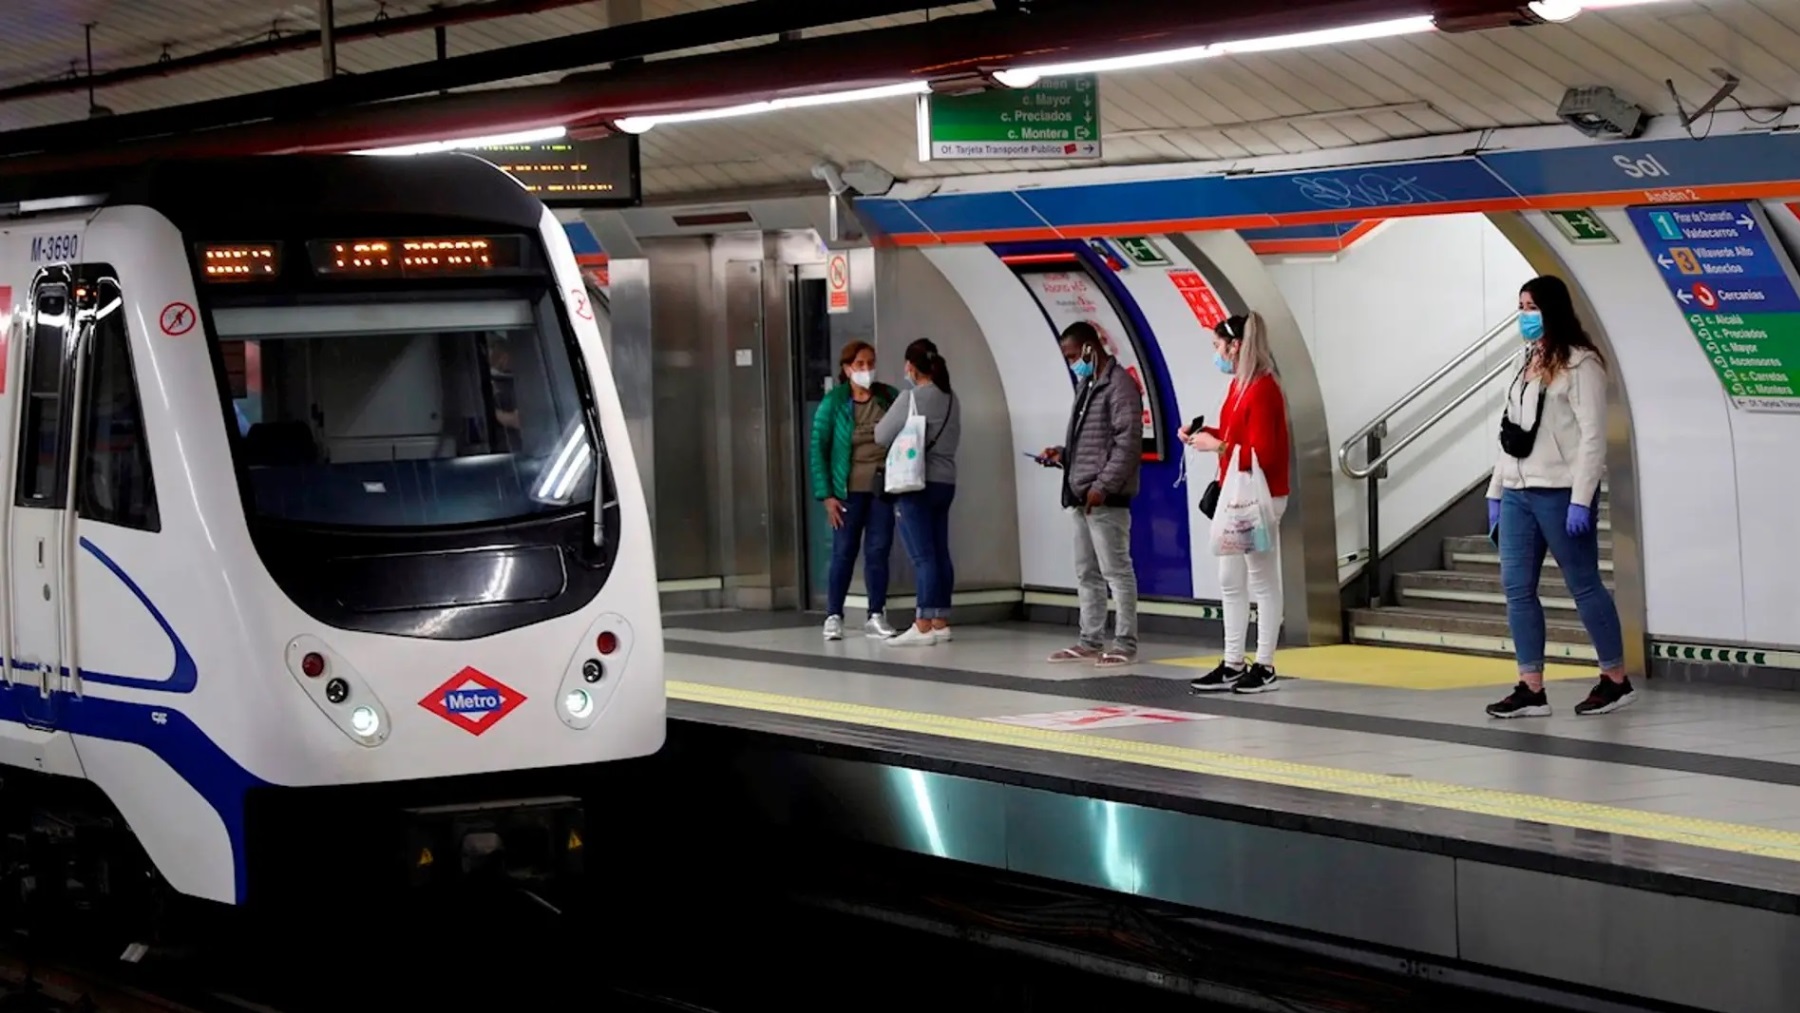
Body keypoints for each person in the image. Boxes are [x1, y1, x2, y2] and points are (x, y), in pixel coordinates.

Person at [1484, 275, 1634, 719]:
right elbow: (1511, 432)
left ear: (1552, 309)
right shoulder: (1525, 359)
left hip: (1561, 491)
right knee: (1517, 589)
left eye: (1532, 306)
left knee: (1584, 585)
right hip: (1518, 491)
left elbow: (1593, 438)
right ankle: (1531, 687)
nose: (1525, 315)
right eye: (1521, 306)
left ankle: (1615, 679)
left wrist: (1581, 499)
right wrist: (1496, 490)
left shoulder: (1580, 363)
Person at [1181, 312, 1290, 695]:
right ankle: (1232, 661)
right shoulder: (1240, 386)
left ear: (1235, 346)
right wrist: (1203, 435)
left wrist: (1222, 446)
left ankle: (1265, 663)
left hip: (1260, 496)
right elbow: (1233, 435)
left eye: (1218, 346)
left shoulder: (1263, 389)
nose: (1216, 354)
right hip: (1237, 493)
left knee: (1261, 578)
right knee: (1230, 580)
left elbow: (1268, 453)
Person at [1039, 321, 1142, 668]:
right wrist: (1062, 455)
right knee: (1087, 572)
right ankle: (1090, 639)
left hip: (1105, 498)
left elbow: (1127, 445)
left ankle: (1125, 642)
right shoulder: (1087, 385)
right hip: (1082, 495)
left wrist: (1102, 486)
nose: (1072, 363)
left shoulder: (1120, 386)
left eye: (1072, 355)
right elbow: (1089, 444)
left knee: (1117, 571)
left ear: (1088, 348)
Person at [809, 340, 900, 642]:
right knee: (844, 552)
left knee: (878, 551)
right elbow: (818, 449)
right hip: (847, 492)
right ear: (847, 368)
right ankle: (834, 615)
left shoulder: (888, 397)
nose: (866, 369)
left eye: (870, 363)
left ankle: (876, 614)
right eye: (859, 364)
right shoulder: (834, 403)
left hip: (882, 489)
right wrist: (827, 496)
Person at [874, 338, 960, 648]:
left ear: (911, 366)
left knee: (923, 557)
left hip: (915, 483)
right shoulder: (952, 399)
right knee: (939, 553)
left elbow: (881, 434)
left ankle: (922, 624)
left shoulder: (910, 398)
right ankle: (940, 621)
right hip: (945, 483)